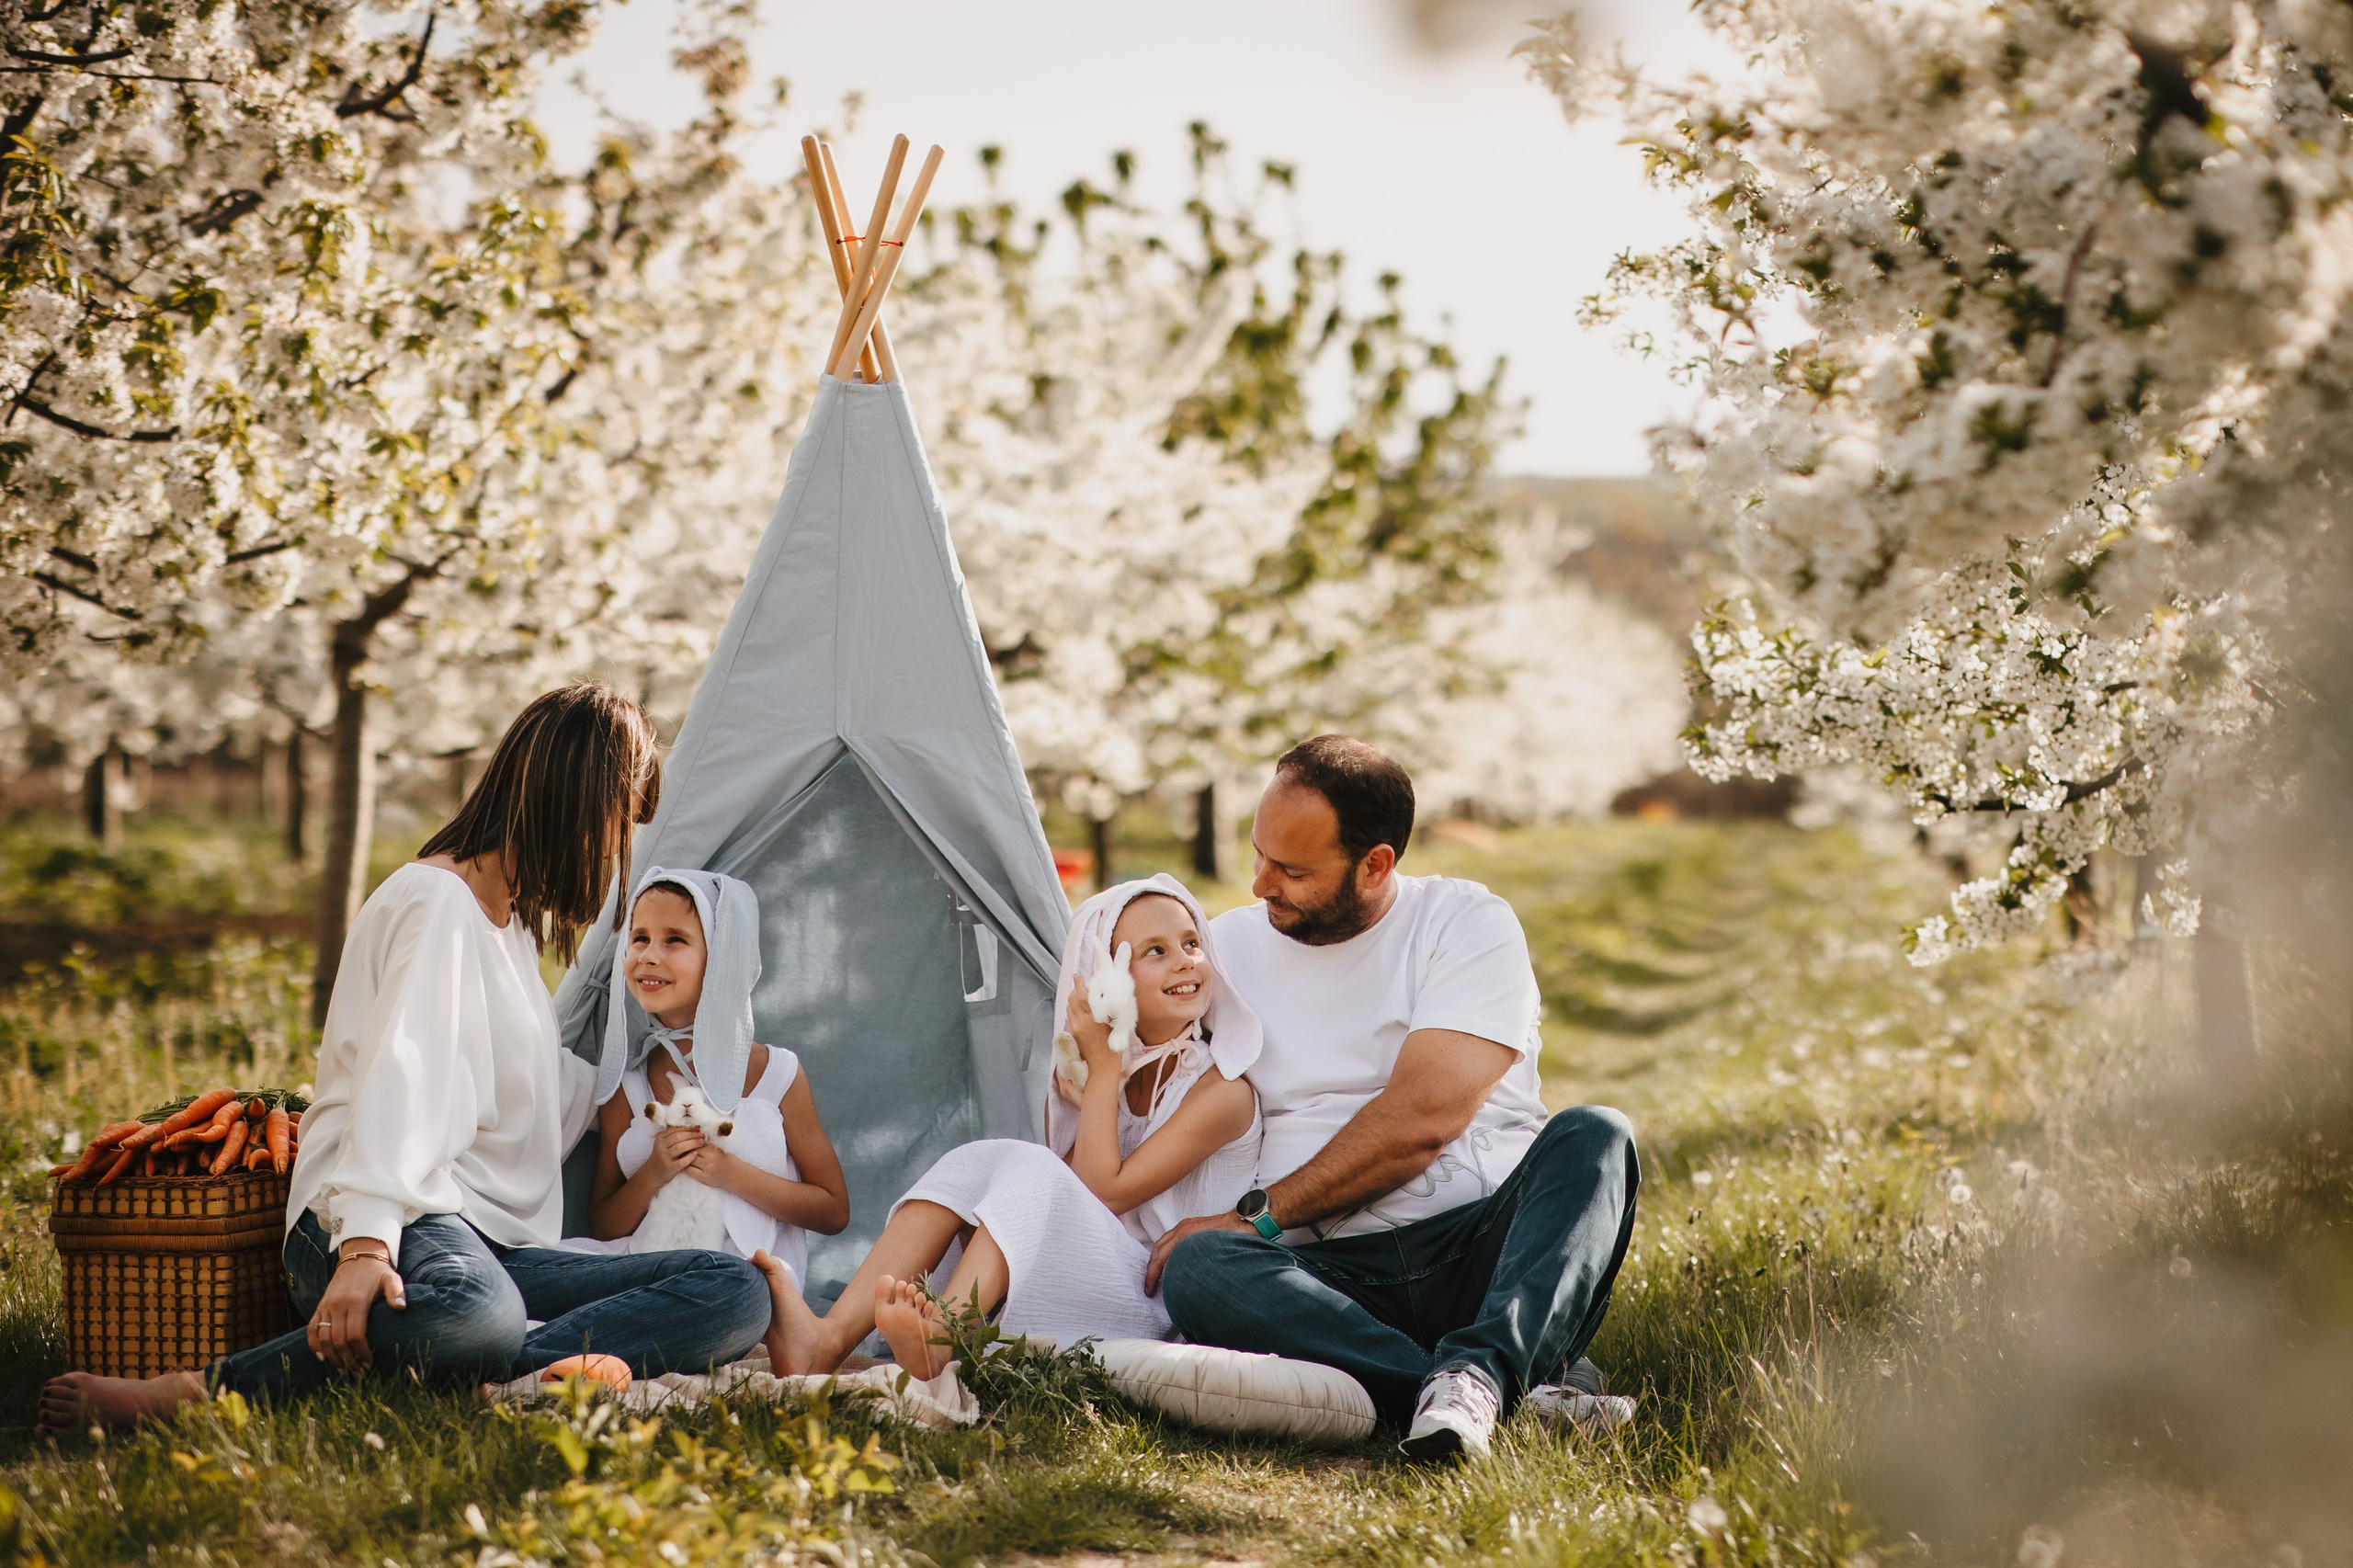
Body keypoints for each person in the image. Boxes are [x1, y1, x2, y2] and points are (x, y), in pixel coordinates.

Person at [36, 685, 775, 1435]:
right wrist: (364, 1246)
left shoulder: (509, 929)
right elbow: (403, 1079)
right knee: (472, 1314)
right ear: (579, 804)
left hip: (495, 1248)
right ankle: (201, 1393)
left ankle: (492, 1373)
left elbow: (545, 1092)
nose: (616, 855)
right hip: (393, 1221)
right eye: (620, 825)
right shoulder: (435, 903)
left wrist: (674, 1070)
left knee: (734, 1289)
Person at [1150, 735, 1642, 1462]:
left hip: (1483, 1254)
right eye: (1258, 853)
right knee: (1201, 1268)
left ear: (1376, 863)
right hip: (1328, 1282)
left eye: (1292, 869)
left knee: (1597, 1136)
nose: (1259, 884)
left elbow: (1425, 1121)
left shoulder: (1465, 925)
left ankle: (1474, 1367)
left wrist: (1257, 1219)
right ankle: (1483, 1381)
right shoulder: (1221, 950)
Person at [758, 874, 1261, 1379]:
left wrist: (1104, 1068)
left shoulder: (1224, 1091)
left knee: (1030, 1164)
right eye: (1155, 951)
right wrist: (1101, 1084)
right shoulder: (1110, 1078)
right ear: (1105, 979)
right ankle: (827, 1339)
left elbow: (1099, 1193)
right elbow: (1059, 1197)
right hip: (1099, 1271)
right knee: (979, 1156)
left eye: (1192, 942)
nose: (1185, 960)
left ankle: (945, 1333)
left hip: (1159, 1300)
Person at [578, 866, 850, 1282]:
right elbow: (603, 1225)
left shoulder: (777, 1075)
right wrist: (655, 1170)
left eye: (675, 940)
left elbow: (833, 1211)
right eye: (640, 938)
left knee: (729, 1288)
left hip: (743, 1284)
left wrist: (732, 1175)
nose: (650, 954)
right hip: (645, 1272)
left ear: (722, 958)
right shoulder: (629, 1087)